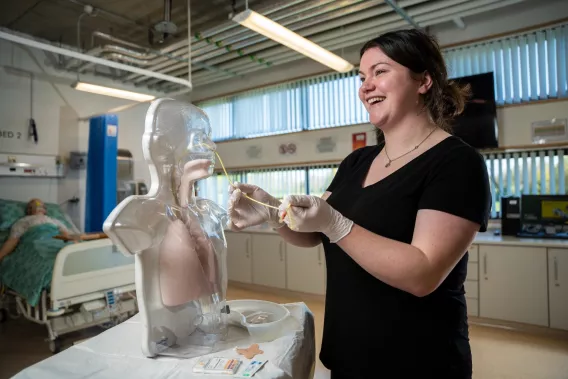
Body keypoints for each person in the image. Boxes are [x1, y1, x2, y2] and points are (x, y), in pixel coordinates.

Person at [227, 28, 491, 378]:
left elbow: (423, 273)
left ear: (424, 80)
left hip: (419, 360)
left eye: (380, 72)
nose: (365, 86)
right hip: (350, 352)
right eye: (362, 76)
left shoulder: (456, 162)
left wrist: (337, 224)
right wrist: (272, 212)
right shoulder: (357, 162)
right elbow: (312, 231)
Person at [0, 198, 71, 262]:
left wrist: (72, 244)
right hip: (36, 243)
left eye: (42, 206)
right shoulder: (23, 221)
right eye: (37, 205)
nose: (40, 207)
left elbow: (65, 234)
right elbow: (13, 240)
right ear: (29, 210)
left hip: (55, 241)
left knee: (66, 252)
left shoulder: (54, 221)